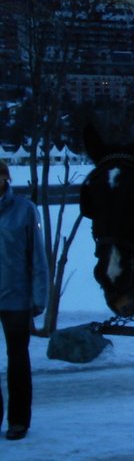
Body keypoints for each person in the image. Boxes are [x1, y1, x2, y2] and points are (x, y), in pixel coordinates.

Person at [0, 161, 49, 440]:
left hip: (16, 297)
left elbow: (37, 257)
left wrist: (38, 295)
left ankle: (18, 420)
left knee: (17, 360)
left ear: (6, 178)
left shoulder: (24, 210)